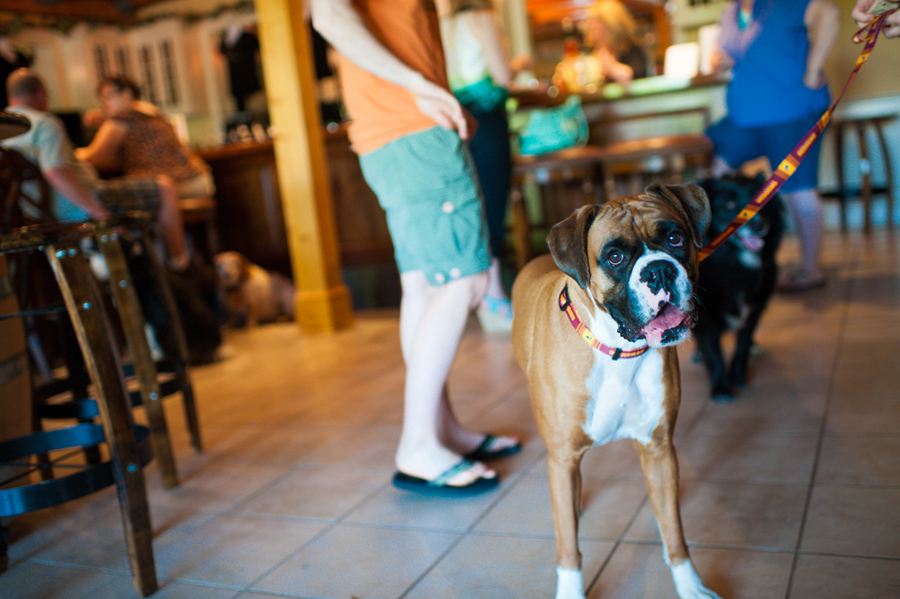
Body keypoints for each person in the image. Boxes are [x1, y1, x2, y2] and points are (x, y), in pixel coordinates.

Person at [312, 0, 520, 494]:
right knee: (465, 280)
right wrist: (422, 87)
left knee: (426, 285)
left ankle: (442, 431)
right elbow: (328, 15)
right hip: (411, 127)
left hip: (399, 127)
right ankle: (419, 444)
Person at [706, 0, 840, 292]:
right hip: (745, 115)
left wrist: (813, 69)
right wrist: (722, 60)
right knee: (714, 165)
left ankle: (810, 270)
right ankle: (724, 258)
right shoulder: (732, 11)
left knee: (798, 191)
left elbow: (829, 14)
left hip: (791, 111)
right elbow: (729, 55)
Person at [2, 69, 190, 271]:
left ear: (10, 96)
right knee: (163, 187)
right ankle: (178, 267)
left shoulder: (5, 129)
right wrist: (100, 214)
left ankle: (130, 259)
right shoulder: (44, 123)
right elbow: (55, 173)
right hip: (77, 209)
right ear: (41, 94)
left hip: (31, 216)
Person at [437, 0, 531, 332]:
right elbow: (503, 76)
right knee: (492, 202)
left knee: (470, 204)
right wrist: (520, 62)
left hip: (454, 123)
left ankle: (476, 292)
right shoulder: (482, 18)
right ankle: (492, 295)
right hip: (486, 122)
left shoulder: (442, 24)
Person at [76, 75, 215, 202]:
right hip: (198, 179)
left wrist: (72, 154)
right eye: (102, 98)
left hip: (174, 185)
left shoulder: (120, 119)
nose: (105, 102)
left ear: (127, 93)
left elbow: (94, 157)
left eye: (109, 96)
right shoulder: (151, 111)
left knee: (107, 199)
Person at [581, 0, 648, 84]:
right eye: (592, 23)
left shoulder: (632, 49)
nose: (593, 27)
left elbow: (635, 77)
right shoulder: (592, 53)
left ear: (613, 25)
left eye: (598, 22)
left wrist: (611, 67)